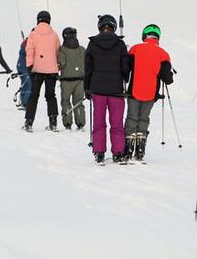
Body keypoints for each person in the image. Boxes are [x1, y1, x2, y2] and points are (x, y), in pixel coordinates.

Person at [84, 14, 130, 164]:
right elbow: (125, 67)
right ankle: (118, 152)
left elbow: (88, 69)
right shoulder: (120, 44)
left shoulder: (92, 44)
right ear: (114, 27)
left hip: (97, 90)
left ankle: (99, 152)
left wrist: (87, 88)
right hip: (116, 90)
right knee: (116, 123)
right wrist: (125, 78)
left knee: (99, 123)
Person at [125, 24, 174, 163]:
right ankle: (140, 149)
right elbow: (167, 79)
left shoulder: (135, 49)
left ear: (144, 36)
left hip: (134, 91)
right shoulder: (163, 54)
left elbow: (126, 68)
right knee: (143, 119)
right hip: (151, 93)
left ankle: (128, 149)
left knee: (132, 118)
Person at [23, 11, 61, 131]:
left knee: (33, 96)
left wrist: (29, 66)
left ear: (38, 20)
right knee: (51, 96)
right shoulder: (54, 35)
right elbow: (58, 52)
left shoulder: (33, 34)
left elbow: (29, 51)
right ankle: (53, 121)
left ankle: (29, 122)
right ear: (49, 20)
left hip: (37, 70)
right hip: (52, 70)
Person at [57, 27, 87, 130]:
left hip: (66, 81)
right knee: (78, 101)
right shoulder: (82, 49)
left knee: (65, 101)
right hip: (80, 80)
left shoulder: (62, 50)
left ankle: (67, 123)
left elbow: (61, 64)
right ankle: (80, 123)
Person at [16, 35, 31, 110]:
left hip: (20, 65)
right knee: (30, 84)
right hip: (25, 66)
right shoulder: (31, 42)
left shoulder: (25, 41)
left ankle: (22, 101)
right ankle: (26, 103)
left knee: (24, 84)